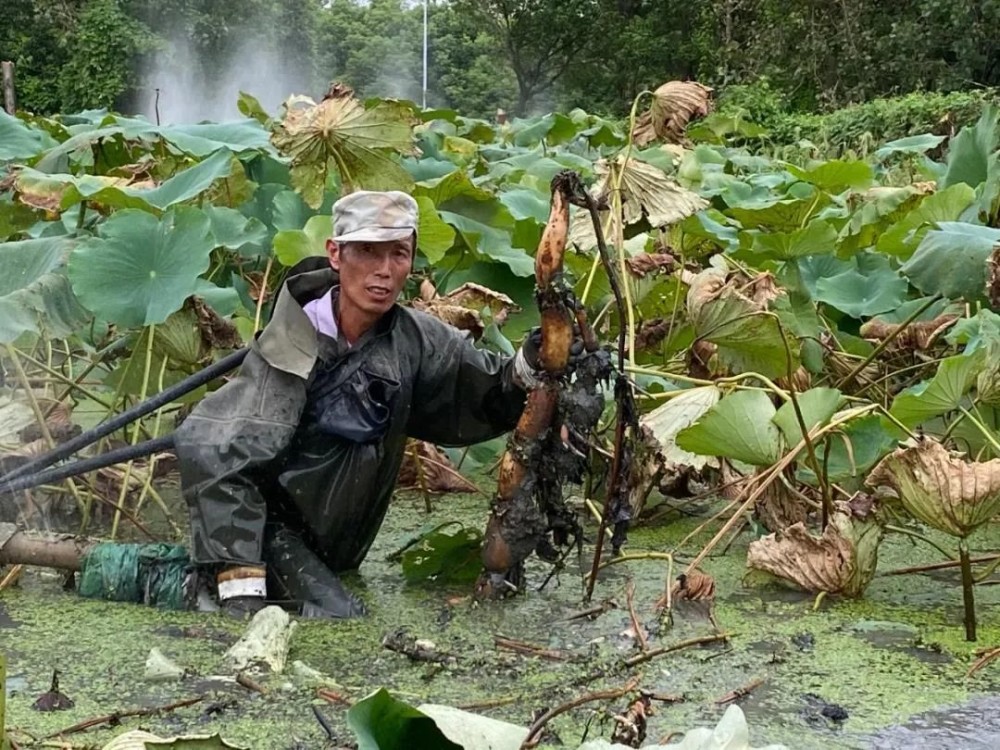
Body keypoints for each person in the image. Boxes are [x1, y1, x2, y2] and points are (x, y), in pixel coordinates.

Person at [174, 190, 546, 619]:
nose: (384, 272)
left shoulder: (415, 340)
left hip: (341, 550)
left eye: (398, 254)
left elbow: (485, 390)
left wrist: (533, 361)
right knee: (339, 620)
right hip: (268, 537)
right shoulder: (290, 346)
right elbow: (212, 450)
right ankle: (198, 585)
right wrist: (243, 592)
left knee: (339, 615)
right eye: (367, 252)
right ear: (335, 253)